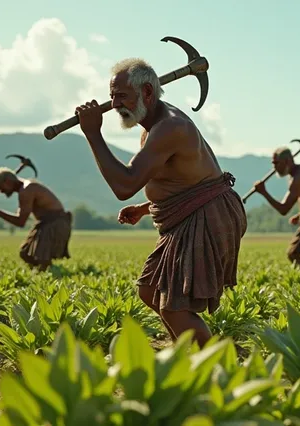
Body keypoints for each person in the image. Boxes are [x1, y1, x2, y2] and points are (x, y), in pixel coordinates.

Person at [74, 57, 247, 348]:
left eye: (122, 96)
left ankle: (221, 371)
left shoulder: (170, 127)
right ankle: (190, 354)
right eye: (112, 96)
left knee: (174, 307)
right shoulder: (152, 125)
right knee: (150, 290)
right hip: (189, 213)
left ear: (148, 93)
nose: (115, 104)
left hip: (206, 216)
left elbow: (124, 185)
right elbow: (179, 179)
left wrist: (93, 133)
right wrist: (145, 208)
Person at [0, 168, 72, 271]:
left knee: (41, 257)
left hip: (55, 224)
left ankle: (49, 275)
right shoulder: (26, 188)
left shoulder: (27, 190)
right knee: (26, 254)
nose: (1, 191)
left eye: (1, 187)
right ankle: (44, 271)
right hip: (45, 223)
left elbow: (20, 221)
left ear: (8, 182)